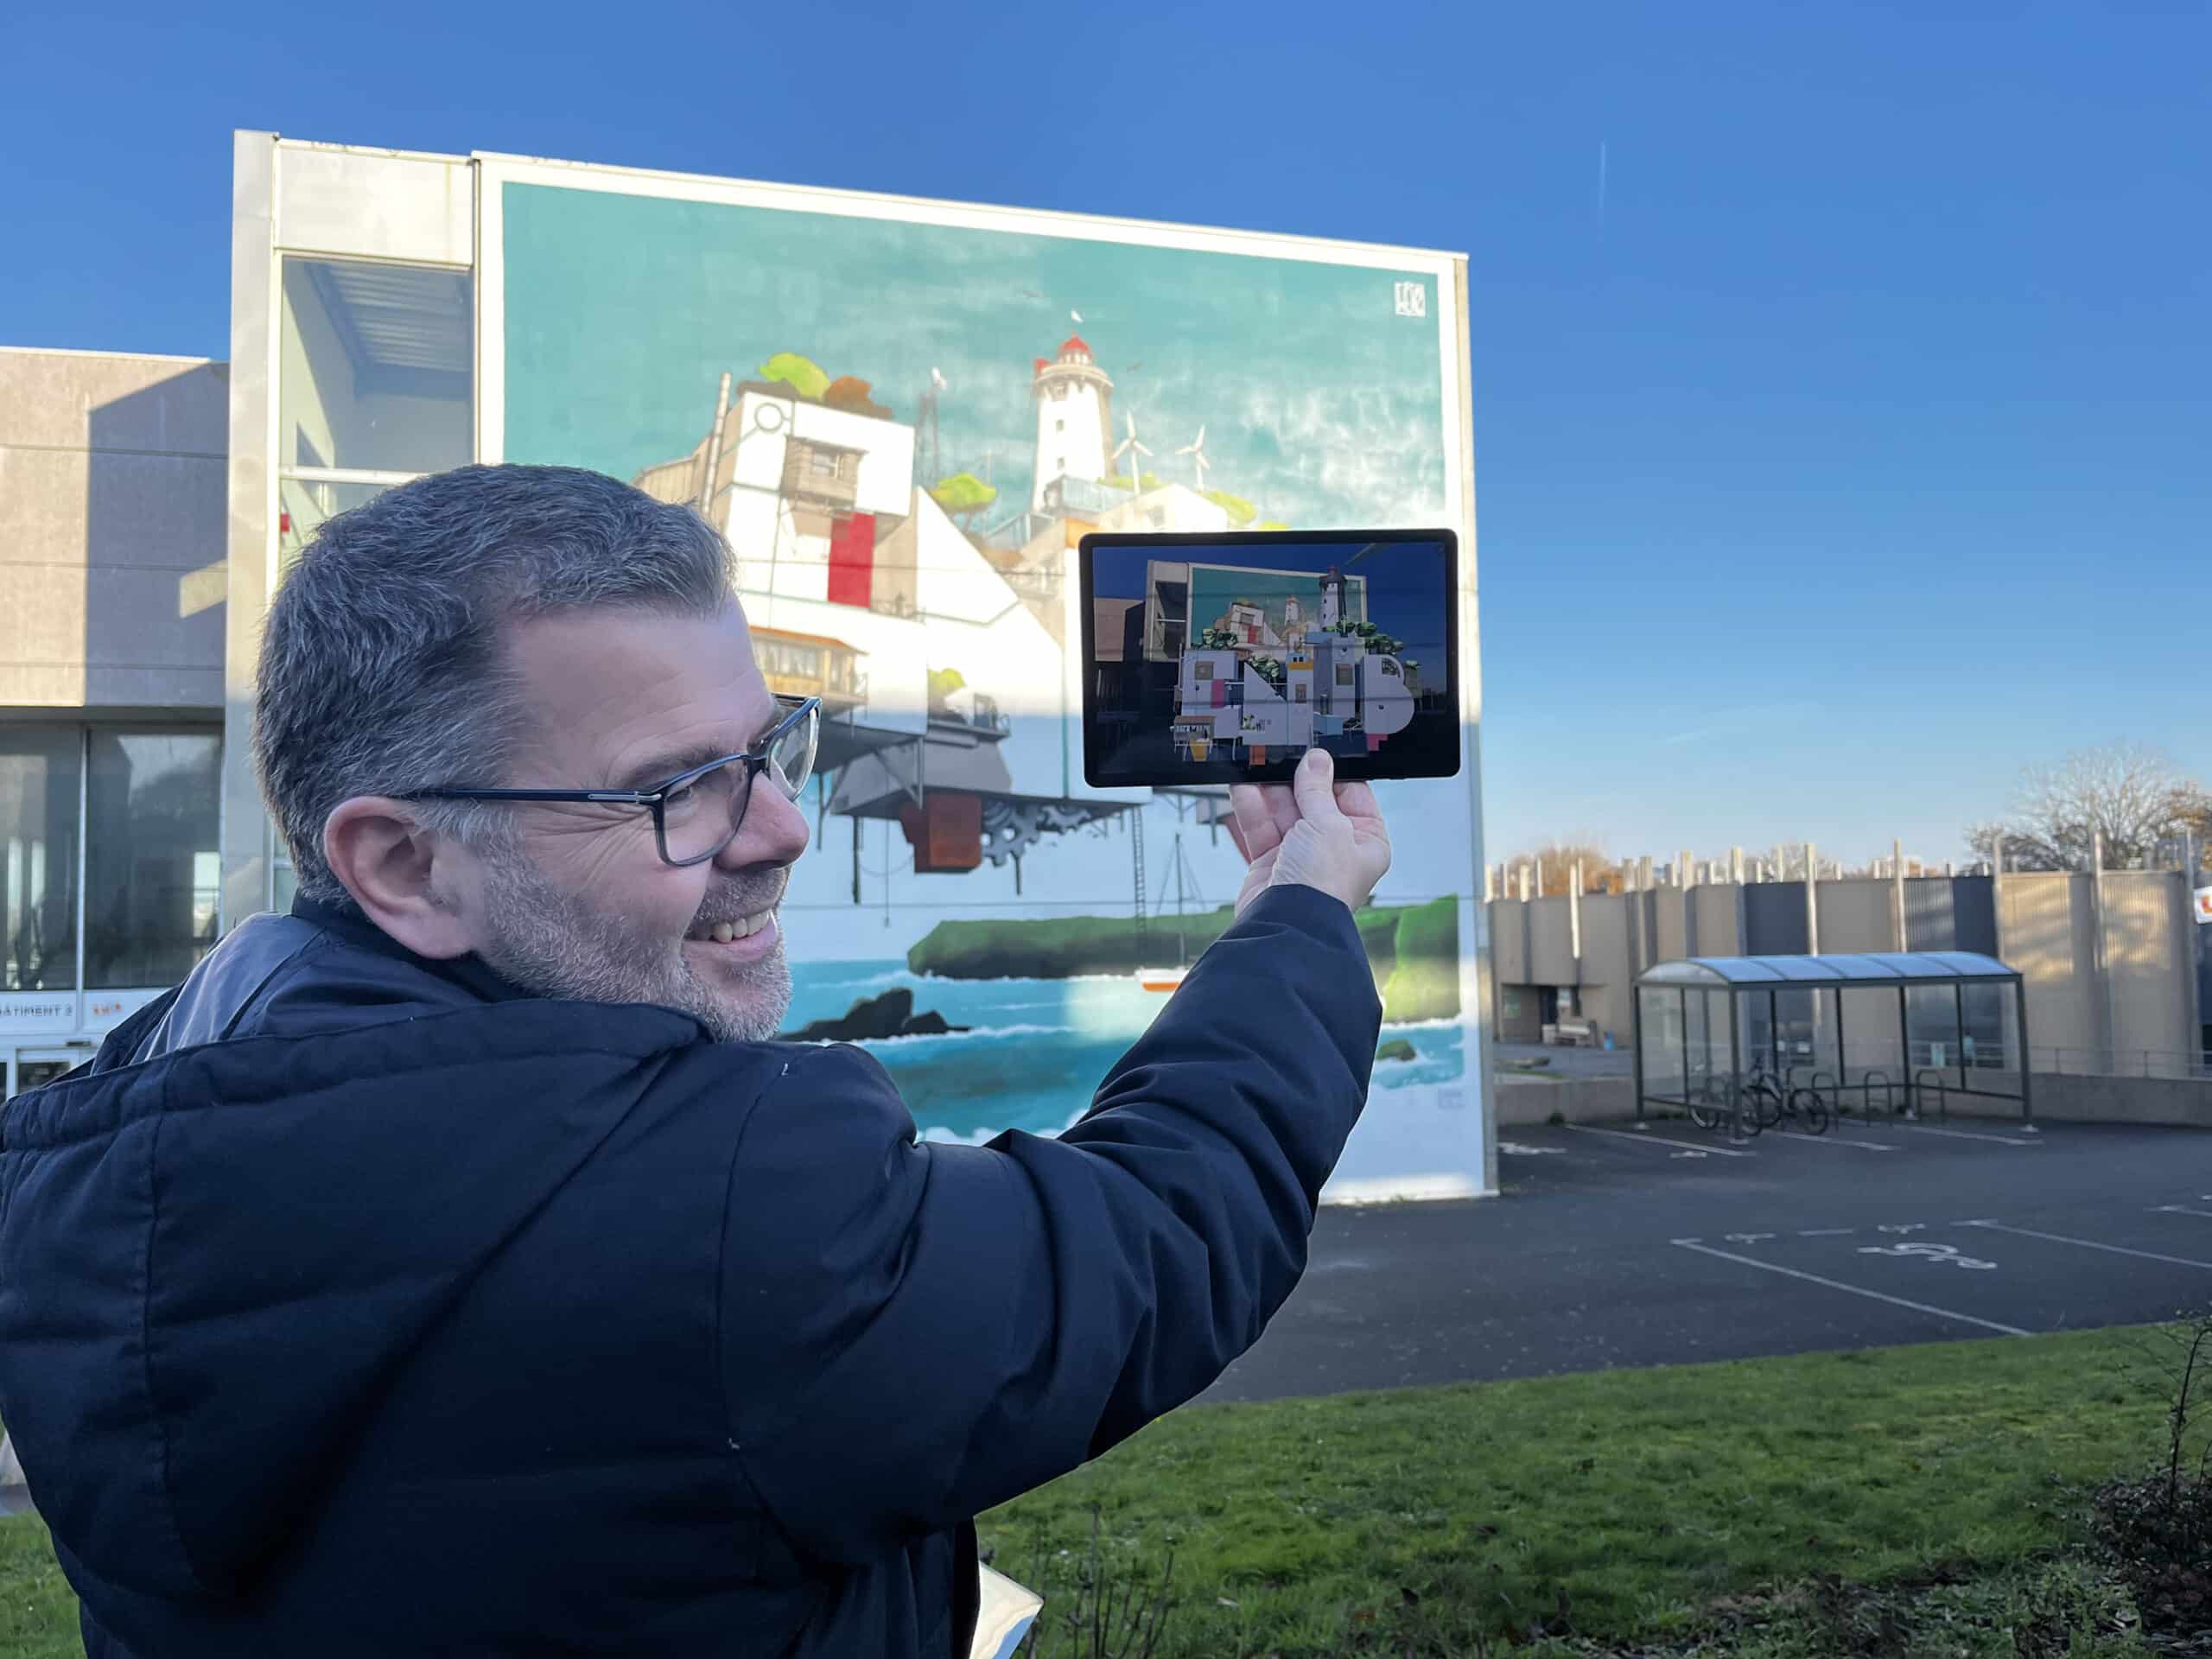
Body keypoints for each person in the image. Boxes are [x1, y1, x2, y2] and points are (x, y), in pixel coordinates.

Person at [0, 465, 1392, 1658]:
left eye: (769, 747)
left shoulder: (116, 1152)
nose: (780, 827)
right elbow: (1161, 1230)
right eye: (680, 789)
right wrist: (1306, 909)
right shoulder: (724, 1220)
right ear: (404, 863)